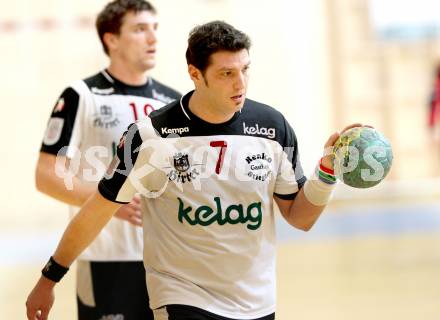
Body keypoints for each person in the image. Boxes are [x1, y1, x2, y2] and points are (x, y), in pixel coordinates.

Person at [27, 20, 363, 320]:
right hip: (182, 297)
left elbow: (300, 217)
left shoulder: (272, 129)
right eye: (226, 74)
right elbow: (98, 210)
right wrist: (50, 276)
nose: (240, 83)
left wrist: (326, 171)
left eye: (245, 69)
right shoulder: (151, 136)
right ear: (195, 74)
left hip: (256, 303)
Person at [34, 0, 180, 319]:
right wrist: (113, 202)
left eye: (154, 28)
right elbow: (46, 176)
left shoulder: (174, 103)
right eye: (140, 29)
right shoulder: (81, 95)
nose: (153, 38)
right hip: (106, 260)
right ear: (111, 39)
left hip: (169, 262)